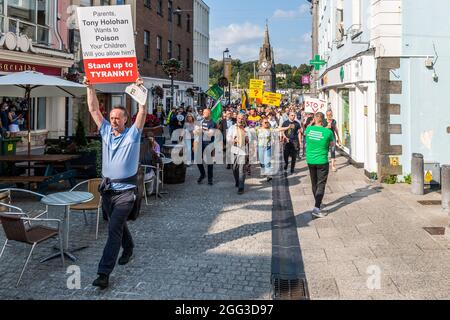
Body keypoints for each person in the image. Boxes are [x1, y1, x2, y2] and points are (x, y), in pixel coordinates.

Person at [85, 76, 147, 290]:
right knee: (116, 225)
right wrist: (90, 87)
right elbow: (93, 110)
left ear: (125, 120)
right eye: (111, 117)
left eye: (117, 118)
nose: (113, 120)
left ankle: (103, 273)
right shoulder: (105, 132)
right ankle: (128, 247)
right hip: (108, 190)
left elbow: (142, 113)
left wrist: (140, 91)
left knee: (112, 230)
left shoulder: (133, 135)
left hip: (126, 193)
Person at [305, 112, 334, 219]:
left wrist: (311, 122)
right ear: (323, 120)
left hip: (310, 160)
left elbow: (307, 130)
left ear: (314, 119)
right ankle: (316, 208)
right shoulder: (328, 132)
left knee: (314, 183)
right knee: (321, 184)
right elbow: (332, 145)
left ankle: (318, 202)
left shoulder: (308, 130)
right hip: (322, 160)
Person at [227, 113, 249, 194]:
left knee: (241, 169)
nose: (240, 120)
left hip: (243, 151)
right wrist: (233, 140)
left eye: (242, 118)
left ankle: (241, 187)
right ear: (237, 119)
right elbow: (228, 137)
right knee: (234, 168)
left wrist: (247, 138)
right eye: (239, 118)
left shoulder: (246, 128)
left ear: (244, 119)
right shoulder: (232, 128)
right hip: (234, 149)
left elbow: (249, 138)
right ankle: (237, 181)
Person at [196, 108, 216, 185]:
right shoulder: (201, 121)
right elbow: (196, 131)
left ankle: (210, 179)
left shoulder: (212, 123)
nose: (203, 114)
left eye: (205, 112)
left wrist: (202, 129)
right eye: (203, 112)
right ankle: (203, 174)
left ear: (209, 114)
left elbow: (210, 134)